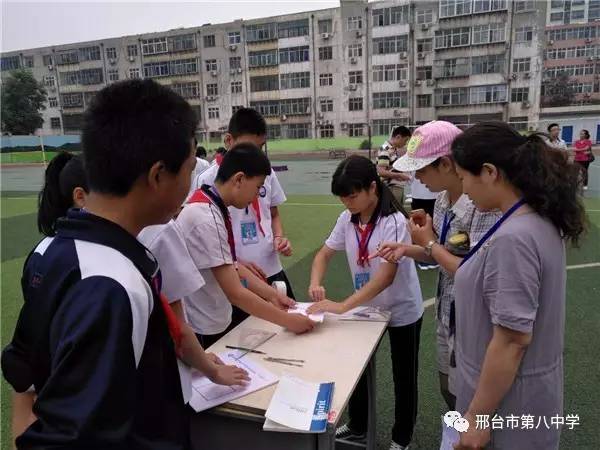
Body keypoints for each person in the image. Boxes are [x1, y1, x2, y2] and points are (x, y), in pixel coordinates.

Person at [1, 79, 208, 449]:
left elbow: (23, 366)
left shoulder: (49, 248)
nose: (191, 185)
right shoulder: (112, 284)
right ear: (158, 175)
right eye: (190, 169)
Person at [450, 122, 586, 449]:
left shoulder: (514, 238)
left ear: (489, 172)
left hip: (506, 406)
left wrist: (479, 417)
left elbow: (512, 340)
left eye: (464, 177)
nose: (464, 188)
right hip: (516, 396)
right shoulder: (532, 220)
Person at [373, 120, 501, 411]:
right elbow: (443, 255)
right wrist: (408, 248)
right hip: (447, 313)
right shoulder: (443, 200)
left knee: (471, 399)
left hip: (472, 320)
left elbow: (474, 274)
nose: (417, 176)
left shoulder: (484, 207)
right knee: (448, 388)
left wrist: (429, 242)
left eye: (421, 168)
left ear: (445, 164)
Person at [306, 155, 423, 450]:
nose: (348, 204)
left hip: (401, 308)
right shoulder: (346, 219)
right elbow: (323, 255)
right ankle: (358, 425)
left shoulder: (394, 221)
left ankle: (401, 438)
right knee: (356, 366)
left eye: (353, 196)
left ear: (373, 187)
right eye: (343, 198)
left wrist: (343, 306)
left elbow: (386, 277)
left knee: (403, 375)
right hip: (366, 307)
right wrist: (315, 282)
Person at [177, 143, 314, 349]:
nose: (256, 196)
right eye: (258, 187)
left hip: (210, 318)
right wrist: (289, 321)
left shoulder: (211, 206)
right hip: (202, 327)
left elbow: (234, 266)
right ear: (239, 179)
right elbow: (236, 292)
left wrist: (273, 295)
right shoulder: (206, 217)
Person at [194, 108, 295, 330]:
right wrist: (236, 264)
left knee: (284, 328)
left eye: (260, 148)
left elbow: (274, 213)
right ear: (229, 140)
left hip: (269, 267)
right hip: (237, 275)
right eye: (250, 147)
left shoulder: (264, 172)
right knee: (248, 338)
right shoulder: (207, 181)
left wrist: (279, 236)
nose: (256, 154)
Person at [377, 125, 412, 206]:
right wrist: (399, 175)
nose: (405, 143)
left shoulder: (392, 149)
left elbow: (389, 168)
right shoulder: (385, 149)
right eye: (405, 140)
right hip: (390, 189)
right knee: (393, 214)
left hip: (394, 187)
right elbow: (381, 172)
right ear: (398, 137)